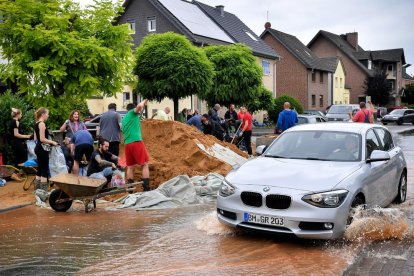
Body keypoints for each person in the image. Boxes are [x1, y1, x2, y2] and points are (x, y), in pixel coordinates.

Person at [122, 100, 151, 191]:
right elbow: (139, 107)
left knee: (130, 166)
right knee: (145, 164)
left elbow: (139, 113)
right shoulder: (132, 113)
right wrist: (143, 101)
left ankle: (130, 189)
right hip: (136, 141)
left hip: (127, 144)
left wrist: (144, 106)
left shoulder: (125, 119)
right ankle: (146, 188)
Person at [34, 107, 59, 191]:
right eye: (47, 114)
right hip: (42, 149)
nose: (48, 116)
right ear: (43, 114)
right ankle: (43, 192)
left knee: (39, 169)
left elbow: (35, 138)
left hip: (38, 148)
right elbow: (42, 139)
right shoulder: (42, 124)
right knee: (44, 170)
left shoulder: (36, 123)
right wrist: (52, 142)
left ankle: (37, 190)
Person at [8, 108, 31, 176]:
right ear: (17, 114)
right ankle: (19, 172)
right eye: (21, 114)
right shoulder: (15, 122)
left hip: (14, 142)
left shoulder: (12, 121)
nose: (21, 115)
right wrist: (27, 136)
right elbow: (16, 134)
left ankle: (16, 173)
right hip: (16, 142)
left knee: (17, 157)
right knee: (23, 156)